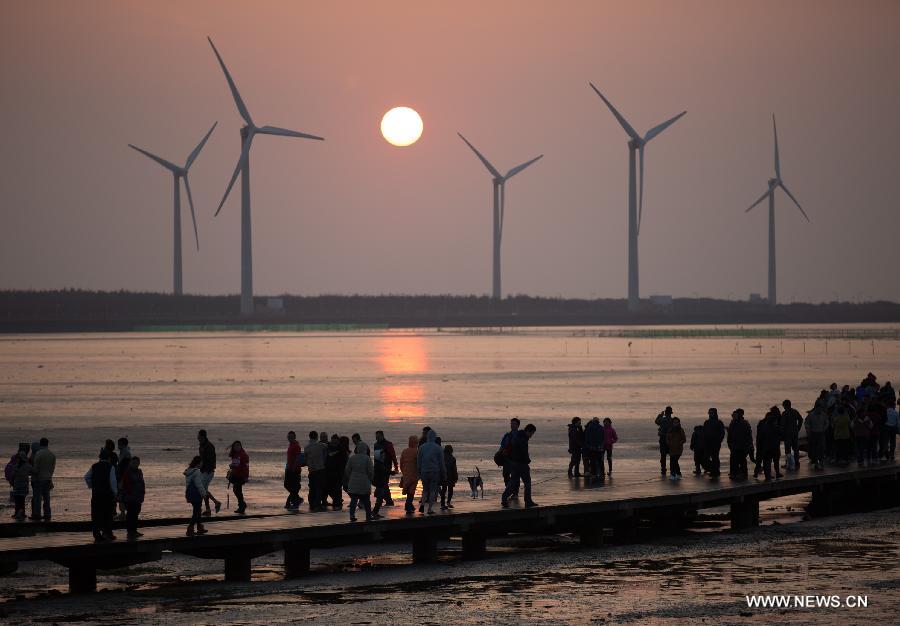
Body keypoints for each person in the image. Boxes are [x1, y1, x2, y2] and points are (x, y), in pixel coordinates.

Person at [501, 423, 537, 508]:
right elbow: (523, 452)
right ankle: (528, 502)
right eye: (532, 433)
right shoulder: (522, 438)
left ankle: (504, 498)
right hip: (521, 464)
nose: (532, 435)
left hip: (514, 463)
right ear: (528, 431)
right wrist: (527, 460)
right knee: (527, 483)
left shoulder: (518, 436)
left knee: (512, 482)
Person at [84, 449, 117, 541]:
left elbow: (86, 477)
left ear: (100, 457)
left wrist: (91, 485)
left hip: (96, 494)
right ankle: (107, 533)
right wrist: (115, 494)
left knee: (96, 514)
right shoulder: (111, 467)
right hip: (107, 495)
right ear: (109, 458)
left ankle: (96, 534)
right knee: (107, 514)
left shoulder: (94, 466)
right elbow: (113, 482)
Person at [343, 442, 374, 522]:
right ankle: (368, 516)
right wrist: (370, 480)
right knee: (367, 501)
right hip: (364, 483)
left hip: (353, 483)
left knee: (353, 500)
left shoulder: (352, 458)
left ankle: (352, 515)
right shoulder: (367, 458)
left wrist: (351, 477)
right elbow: (370, 471)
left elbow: (347, 470)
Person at [417, 430, 445, 515]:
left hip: (424, 471)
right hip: (434, 471)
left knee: (425, 489)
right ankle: (429, 509)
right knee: (433, 490)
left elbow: (419, 461)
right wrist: (444, 473)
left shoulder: (422, 447)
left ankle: (422, 504)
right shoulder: (438, 448)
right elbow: (441, 462)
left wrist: (419, 472)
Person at [197, 430, 221, 516]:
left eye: (199, 436)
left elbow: (210, 459)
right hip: (203, 471)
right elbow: (201, 459)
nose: (197, 437)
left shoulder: (209, 446)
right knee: (204, 490)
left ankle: (207, 508)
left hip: (208, 471)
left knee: (202, 490)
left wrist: (203, 466)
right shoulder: (201, 446)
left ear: (203, 436)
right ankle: (213, 505)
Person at [31, 438, 56, 521]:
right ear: (47, 444)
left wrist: (30, 471)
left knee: (37, 498)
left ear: (40, 444)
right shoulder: (52, 454)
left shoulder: (38, 453)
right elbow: (52, 469)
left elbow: (36, 468)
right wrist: (50, 476)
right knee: (46, 498)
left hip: (39, 479)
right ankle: (47, 514)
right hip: (48, 478)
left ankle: (37, 515)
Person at [120, 455, 145, 539]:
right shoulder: (127, 472)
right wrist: (130, 493)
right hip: (130, 498)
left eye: (137, 462)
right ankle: (130, 531)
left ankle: (134, 531)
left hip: (138, 497)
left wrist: (142, 494)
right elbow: (126, 485)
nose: (136, 464)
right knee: (131, 515)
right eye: (134, 462)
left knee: (136, 514)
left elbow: (142, 483)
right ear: (131, 463)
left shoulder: (140, 471)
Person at [184, 455, 208, 536]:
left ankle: (199, 527)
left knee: (197, 510)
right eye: (201, 462)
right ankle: (190, 528)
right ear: (198, 463)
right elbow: (199, 485)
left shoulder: (189, 471)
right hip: (196, 494)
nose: (202, 464)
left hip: (190, 494)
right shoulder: (197, 471)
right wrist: (204, 494)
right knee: (197, 512)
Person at [755, 409, 781, 481]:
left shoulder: (764, 427)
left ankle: (767, 476)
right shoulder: (776, 428)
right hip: (774, 448)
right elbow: (782, 435)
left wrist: (759, 446)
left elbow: (760, 437)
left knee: (766, 462)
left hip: (766, 448)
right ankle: (775, 474)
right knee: (774, 461)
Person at [727, 409, 753, 479]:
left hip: (741, 446)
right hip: (735, 446)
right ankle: (734, 473)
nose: (733, 416)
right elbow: (730, 435)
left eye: (735, 415)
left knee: (741, 460)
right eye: (733, 415)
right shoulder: (733, 423)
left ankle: (742, 474)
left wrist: (749, 445)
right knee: (734, 460)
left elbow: (748, 435)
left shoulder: (744, 423)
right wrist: (729, 444)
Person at [498, 418, 520, 498]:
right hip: (506, 459)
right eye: (511, 423)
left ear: (518, 425)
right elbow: (502, 446)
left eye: (514, 423)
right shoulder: (507, 435)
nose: (512, 425)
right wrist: (498, 454)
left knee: (515, 476)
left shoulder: (520, 435)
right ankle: (510, 490)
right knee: (505, 475)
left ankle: (515, 493)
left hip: (515, 459)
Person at [305, 431, 327, 511]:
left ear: (309, 437)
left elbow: (306, 458)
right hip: (320, 469)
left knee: (312, 487)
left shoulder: (306, 447)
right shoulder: (320, 445)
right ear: (317, 437)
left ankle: (311, 503)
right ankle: (317, 504)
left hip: (311, 470)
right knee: (319, 487)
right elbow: (326, 447)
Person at [701, 408, 726, 478]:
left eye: (712, 413)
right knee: (705, 459)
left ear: (715, 413)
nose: (710, 414)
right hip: (707, 444)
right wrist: (703, 442)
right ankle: (712, 469)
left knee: (715, 458)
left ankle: (715, 471)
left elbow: (722, 433)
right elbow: (703, 433)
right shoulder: (706, 422)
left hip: (715, 444)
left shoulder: (719, 422)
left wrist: (718, 441)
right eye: (709, 413)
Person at [227, 441, 249, 514]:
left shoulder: (243, 455)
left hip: (241, 475)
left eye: (238, 446)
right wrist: (231, 469)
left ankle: (242, 506)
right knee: (236, 490)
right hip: (236, 474)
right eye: (235, 446)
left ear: (241, 446)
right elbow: (235, 464)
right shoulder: (235, 454)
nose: (237, 447)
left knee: (237, 490)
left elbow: (246, 466)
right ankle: (242, 504)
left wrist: (246, 476)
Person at [325, 434, 347, 509]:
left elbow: (344, 461)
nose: (334, 442)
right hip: (329, 472)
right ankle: (337, 501)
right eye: (332, 440)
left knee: (337, 489)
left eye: (335, 440)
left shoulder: (341, 449)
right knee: (329, 488)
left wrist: (343, 471)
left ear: (338, 441)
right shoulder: (328, 447)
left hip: (338, 472)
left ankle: (337, 503)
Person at [780, 400, 803, 470]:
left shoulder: (784, 413)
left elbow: (783, 425)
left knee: (788, 450)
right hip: (795, 433)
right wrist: (798, 428)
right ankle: (797, 462)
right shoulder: (795, 411)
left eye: (783, 406)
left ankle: (788, 464)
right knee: (796, 448)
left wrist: (781, 434)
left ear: (785, 405)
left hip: (787, 434)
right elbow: (801, 419)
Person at [10, 450, 32, 521]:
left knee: (17, 500)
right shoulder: (27, 466)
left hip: (17, 485)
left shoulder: (15, 466)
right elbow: (34, 471)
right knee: (22, 500)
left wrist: (11, 482)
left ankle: (17, 513)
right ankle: (22, 513)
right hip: (24, 485)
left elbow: (12, 476)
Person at [284, 431, 304, 510]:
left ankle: (294, 502)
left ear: (294, 437)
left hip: (294, 469)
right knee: (288, 485)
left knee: (293, 487)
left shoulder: (296, 446)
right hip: (289, 468)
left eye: (291, 436)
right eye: (289, 436)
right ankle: (297, 500)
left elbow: (297, 458)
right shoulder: (291, 445)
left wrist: (293, 468)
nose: (290, 438)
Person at [399, 435, 419, 515]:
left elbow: (401, 463)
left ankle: (410, 505)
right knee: (411, 490)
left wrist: (403, 471)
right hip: (414, 473)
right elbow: (418, 463)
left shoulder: (404, 451)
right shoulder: (417, 451)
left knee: (407, 489)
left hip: (406, 473)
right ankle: (408, 505)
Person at [116, 437, 132, 520]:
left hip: (122, 477)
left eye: (119, 443)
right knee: (122, 495)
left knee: (121, 495)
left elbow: (124, 467)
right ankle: (123, 513)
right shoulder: (125, 452)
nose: (118, 445)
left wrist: (122, 479)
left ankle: (123, 514)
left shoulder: (126, 453)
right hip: (123, 477)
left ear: (123, 444)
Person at [655, 406, 674, 475]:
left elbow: (656, 421)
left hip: (663, 438)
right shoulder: (672, 420)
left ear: (665, 413)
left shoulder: (662, 420)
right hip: (670, 439)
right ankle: (672, 468)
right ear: (671, 413)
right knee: (671, 454)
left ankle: (663, 468)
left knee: (663, 455)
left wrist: (660, 415)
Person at [440, 444, 458, 510]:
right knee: (450, 490)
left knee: (444, 489)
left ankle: (442, 504)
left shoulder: (442, 457)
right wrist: (456, 477)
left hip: (443, 475)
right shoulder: (452, 458)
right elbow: (454, 469)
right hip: (450, 476)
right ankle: (448, 502)